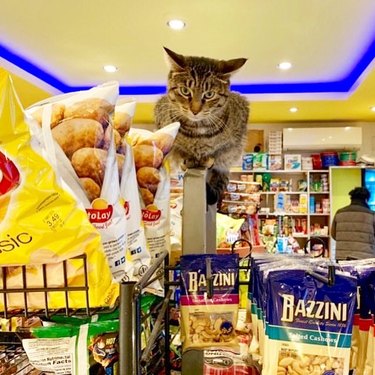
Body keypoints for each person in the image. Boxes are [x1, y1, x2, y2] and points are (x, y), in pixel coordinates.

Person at [331, 186, 375, 260]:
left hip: (342, 257)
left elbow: (334, 234)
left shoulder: (340, 213)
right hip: (365, 259)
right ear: (366, 200)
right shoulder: (371, 215)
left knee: (343, 272)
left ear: (351, 198)